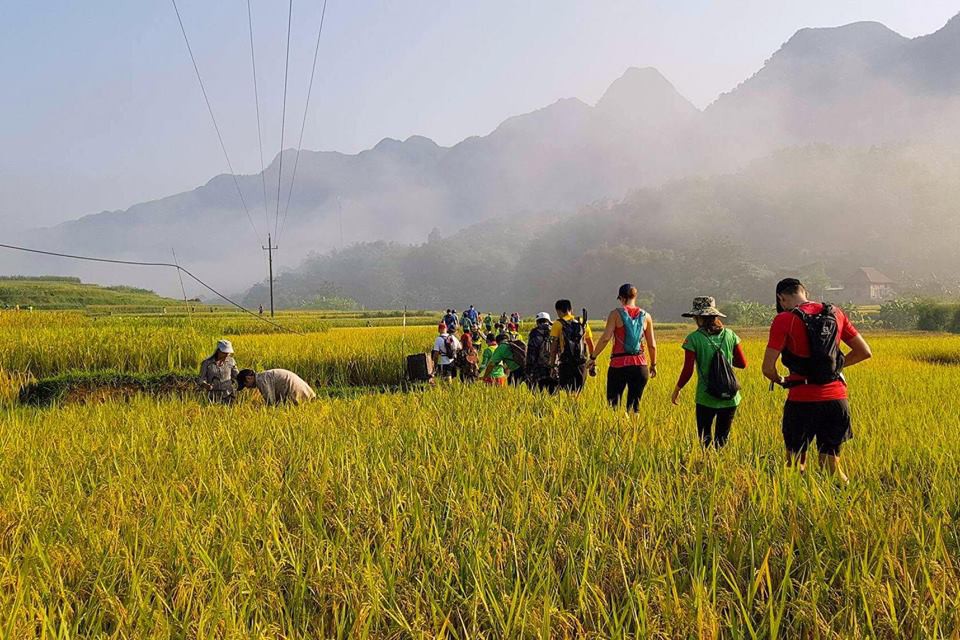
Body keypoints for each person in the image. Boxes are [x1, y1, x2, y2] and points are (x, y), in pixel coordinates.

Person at [762, 278, 872, 482]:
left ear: (781, 298)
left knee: (795, 465)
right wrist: (832, 369)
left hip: (801, 401)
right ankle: (845, 502)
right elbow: (864, 352)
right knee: (832, 468)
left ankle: (796, 510)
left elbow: (768, 368)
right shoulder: (835, 313)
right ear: (805, 292)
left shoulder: (784, 319)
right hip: (836, 400)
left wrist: (782, 379)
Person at [671, 297, 747, 448]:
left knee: (705, 439)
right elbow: (742, 364)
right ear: (715, 316)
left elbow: (688, 370)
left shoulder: (694, 338)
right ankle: (719, 466)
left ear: (699, 317)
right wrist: (725, 361)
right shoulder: (730, 335)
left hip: (706, 397)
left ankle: (706, 466)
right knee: (722, 440)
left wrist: (677, 389)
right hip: (730, 397)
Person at [590, 284, 657, 413]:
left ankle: (616, 431)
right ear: (635, 297)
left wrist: (593, 357)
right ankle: (634, 431)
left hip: (618, 365)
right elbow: (652, 344)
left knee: (613, 406)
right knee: (634, 407)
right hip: (640, 366)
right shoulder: (646, 316)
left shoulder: (615, 314)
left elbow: (605, 338)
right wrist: (653, 364)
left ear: (621, 298)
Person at [549, 299, 595, 394]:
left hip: (565, 364)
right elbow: (590, 344)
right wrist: (593, 363)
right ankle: (577, 408)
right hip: (581, 364)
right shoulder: (582, 322)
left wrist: (552, 366)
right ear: (571, 309)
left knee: (565, 393)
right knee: (578, 393)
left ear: (558, 311)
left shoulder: (558, 324)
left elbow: (553, 348)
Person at [237, 368, 316, 405]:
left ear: (249, 378)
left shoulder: (261, 381)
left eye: (245, 385)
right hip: (303, 388)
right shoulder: (263, 376)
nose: (247, 388)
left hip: (294, 390)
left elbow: (271, 403)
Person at [198, 339, 239, 403]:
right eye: (224, 353)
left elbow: (237, 375)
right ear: (218, 351)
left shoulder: (231, 361)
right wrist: (205, 385)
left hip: (228, 394)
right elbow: (200, 379)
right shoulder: (207, 363)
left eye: (228, 354)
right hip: (212, 396)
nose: (226, 355)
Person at [525, 312, 557, 392]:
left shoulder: (534, 333)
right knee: (553, 395)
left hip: (539, 370)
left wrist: (529, 369)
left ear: (537, 321)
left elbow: (531, 353)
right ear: (548, 320)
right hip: (554, 368)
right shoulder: (555, 331)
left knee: (539, 394)